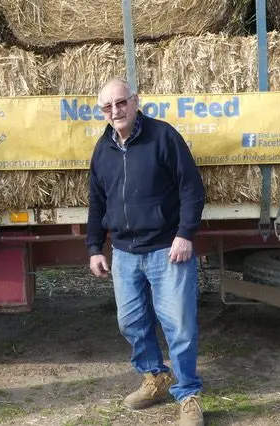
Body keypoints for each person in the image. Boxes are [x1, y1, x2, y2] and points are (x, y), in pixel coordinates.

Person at [86, 78, 206, 426]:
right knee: (131, 322)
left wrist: (185, 234)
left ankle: (188, 394)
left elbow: (191, 188)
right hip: (124, 252)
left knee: (179, 325)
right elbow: (97, 201)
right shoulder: (103, 148)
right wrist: (95, 246)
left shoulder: (163, 136)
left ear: (135, 101)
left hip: (167, 249)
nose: (115, 111)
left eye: (121, 103)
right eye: (107, 107)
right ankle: (155, 377)